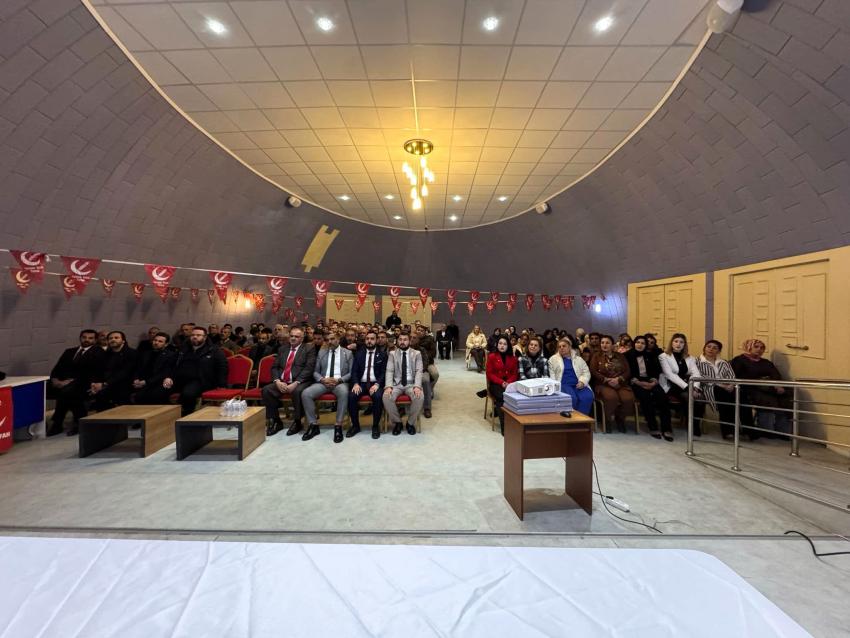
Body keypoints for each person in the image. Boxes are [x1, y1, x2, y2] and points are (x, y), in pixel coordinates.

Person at [46, 329, 105, 437]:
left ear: (95, 340)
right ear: (80, 338)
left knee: (68, 392)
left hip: (85, 383)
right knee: (44, 389)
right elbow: (57, 368)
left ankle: (59, 423)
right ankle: (63, 422)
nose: (86, 340)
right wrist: (55, 380)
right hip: (64, 382)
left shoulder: (99, 353)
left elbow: (92, 372)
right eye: (84, 337)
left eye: (90, 338)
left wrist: (70, 382)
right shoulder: (69, 351)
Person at [261, 326, 317, 437]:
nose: (293, 338)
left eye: (296, 336)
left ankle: (297, 421)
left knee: (297, 391)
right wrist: (277, 381)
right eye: (291, 336)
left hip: (301, 381)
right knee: (266, 390)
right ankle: (276, 421)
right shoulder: (283, 349)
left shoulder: (309, 349)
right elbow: (275, 367)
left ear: (302, 338)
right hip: (282, 381)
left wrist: (296, 383)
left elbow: (309, 368)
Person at [730, 339, 791, 438]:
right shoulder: (739, 360)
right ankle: (766, 430)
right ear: (749, 347)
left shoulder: (766, 362)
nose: (759, 349)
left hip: (768, 388)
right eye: (756, 347)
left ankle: (783, 432)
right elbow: (735, 376)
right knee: (767, 399)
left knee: (786, 397)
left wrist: (777, 385)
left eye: (762, 348)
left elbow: (775, 375)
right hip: (749, 388)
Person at [163, 327, 228, 416]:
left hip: (201, 380)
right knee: (159, 390)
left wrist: (222, 384)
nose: (195, 337)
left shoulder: (214, 350)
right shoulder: (183, 349)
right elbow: (171, 364)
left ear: (205, 337)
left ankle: (185, 416)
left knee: (188, 393)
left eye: (198, 335)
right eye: (193, 335)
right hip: (179, 378)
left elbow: (222, 367)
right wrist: (168, 377)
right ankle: (161, 416)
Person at [301, 331, 352, 443]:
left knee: (344, 393)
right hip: (324, 382)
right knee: (306, 393)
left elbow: (351, 373)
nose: (330, 341)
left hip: (340, 382)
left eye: (332, 339)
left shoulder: (347, 353)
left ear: (338, 339)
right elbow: (315, 372)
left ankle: (338, 425)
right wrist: (322, 379)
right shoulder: (322, 352)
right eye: (328, 339)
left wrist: (339, 380)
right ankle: (313, 425)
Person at [626, 335, 672, 440]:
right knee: (645, 398)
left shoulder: (650, 355)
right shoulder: (627, 355)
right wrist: (639, 383)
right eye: (638, 342)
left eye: (643, 343)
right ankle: (653, 427)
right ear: (634, 343)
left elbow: (657, 370)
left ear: (646, 345)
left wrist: (653, 382)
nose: (640, 345)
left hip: (650, 381)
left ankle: (667, 428)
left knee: (662, 397)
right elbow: (627, 373)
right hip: (635, 382)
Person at [590, 335, 635, 433]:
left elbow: (627, 371)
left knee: (628, 398)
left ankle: (620, 419)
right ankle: (607, 420)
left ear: (612, 345)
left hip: (620, 383)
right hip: (603, 384)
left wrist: (618, 379)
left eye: (607, 343)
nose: (604, 345)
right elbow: (593, 371)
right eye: (602, 343)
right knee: (611, 398)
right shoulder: (596, 356)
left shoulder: (620, 356)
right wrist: (607, 380)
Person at [659, 333, 702, 434]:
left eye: (681, 342)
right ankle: (690, 425)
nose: (678, 344)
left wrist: (695, 387)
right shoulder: (663, 356)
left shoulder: (690, 358)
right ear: (672, 343)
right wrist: (689, 388)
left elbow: (696, 374)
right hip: (670, 385)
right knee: (688, 396)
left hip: (687, 384)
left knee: (700, 398)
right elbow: (670, 375)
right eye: (676, 341)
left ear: (684, 344)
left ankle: (694, 425)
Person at [348, 330, 387, 439]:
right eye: (367, 339)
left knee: (378, 397)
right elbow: (354, 371)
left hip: (375, 383)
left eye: (372, 339)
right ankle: (355, 426)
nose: (369, 341)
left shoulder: (382, 355)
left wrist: (378, 384)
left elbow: (384, 372)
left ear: (376, 340)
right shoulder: (359, 354)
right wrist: (356, 383)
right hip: (361, 383)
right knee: (351, 396)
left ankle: (375, 426)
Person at [382, 332, 423, 436]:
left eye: (405, 340)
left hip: (411, 384)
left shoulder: (417, 353)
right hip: (397, 384)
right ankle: (397, 423)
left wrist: (417, 386)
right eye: (400, 339)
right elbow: (389, 371)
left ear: (409, 341)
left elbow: (419, 371)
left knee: (419, 396)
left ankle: (410, 423)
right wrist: (388, 386)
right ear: (397, 341)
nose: (402, 342)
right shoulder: (392, 354)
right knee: (386, 396)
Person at [697, 340, 737, 439]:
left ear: (718, 351)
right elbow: (700, 377)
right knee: (726, 397)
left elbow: (732, 376)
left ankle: (749, 430)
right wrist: (721, 385)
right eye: (709, 346)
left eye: (715, 348)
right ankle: (728, 431)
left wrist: (731, 384)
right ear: (704, 348)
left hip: (727, 388)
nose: (711, 349)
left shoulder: (724, 362)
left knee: (742, 396)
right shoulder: (697, 361)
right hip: (709, 387)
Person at [90, 331, 138, 411]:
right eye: (110, 338)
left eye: (116, 338)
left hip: (125, 383)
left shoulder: (131, 353)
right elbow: (98, 370)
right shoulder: (105, 354)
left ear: (123, 341)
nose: (113, 340)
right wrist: (94, 383)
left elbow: (125, 372)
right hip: (107, 384)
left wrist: (104, 384)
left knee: (109, 393)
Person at [548, 337, 594, 416]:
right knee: (571, 398)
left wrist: (582, 382)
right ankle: (571, 420)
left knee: (587, 397)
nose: (561, 348)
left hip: (578, 384)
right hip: (563, 385)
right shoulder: (552, 360)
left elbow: (586, 372)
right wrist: (556, 386)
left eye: (564, 346)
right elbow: (552, 376)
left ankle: (582, 419)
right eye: (559, 347)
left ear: (569, 347)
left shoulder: (579, 359)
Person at [485, 335, 519, 435]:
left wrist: (508, 382)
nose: (502, 346)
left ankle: (514, 423)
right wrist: (501, 382)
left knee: (514, 396)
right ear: (497, 345)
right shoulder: (492, 356)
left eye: (504, 344)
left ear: (508, 346)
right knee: (502, 397)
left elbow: (515, 374)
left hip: (509, 383)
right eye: (500, 343)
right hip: (496, 383)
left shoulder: (513, 358)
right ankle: (505, 426)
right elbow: (489, 374)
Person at [132, 332, 177, 405]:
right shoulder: (145, 353)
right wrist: (136, 379)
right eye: (155, 340)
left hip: (159, 382)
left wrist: (146, 382)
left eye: (160, 341)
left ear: (166, 344)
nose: (156, 343)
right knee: (138, 396)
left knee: (154, 396)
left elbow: (164, 373)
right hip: (143, 381)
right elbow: (138, 368)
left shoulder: (170, 355)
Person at [411, 334, 435, 419]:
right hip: (408, 372)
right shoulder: (405, 349)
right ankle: (402, 407)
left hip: (421, 371)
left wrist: (418, 372)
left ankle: (427, 408)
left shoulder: (422, 349)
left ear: (418, 340)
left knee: (425, 380)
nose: (412, 339)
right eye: (410, 338)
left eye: (414, 338)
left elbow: (426, 362)